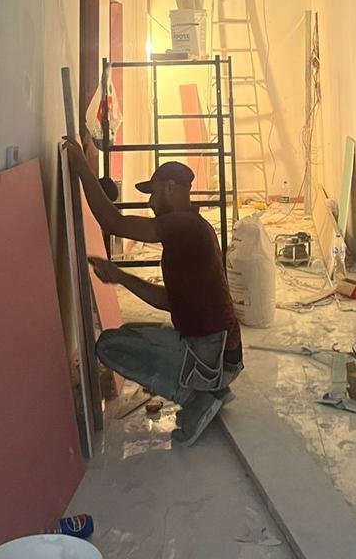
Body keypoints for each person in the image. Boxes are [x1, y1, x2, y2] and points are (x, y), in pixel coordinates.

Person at [63, 143, 242, 446]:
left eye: (154, 193)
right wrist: (120, 276)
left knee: (108, 346)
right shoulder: (192, 228)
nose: (150, 201)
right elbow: (168, 301)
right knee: (128, 334)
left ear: (171, 188)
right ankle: (212, 387)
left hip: (211, 354)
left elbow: (113, 222)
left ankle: (195, 398)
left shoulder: (184, 225)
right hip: (224, 355)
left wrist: (82, 168)